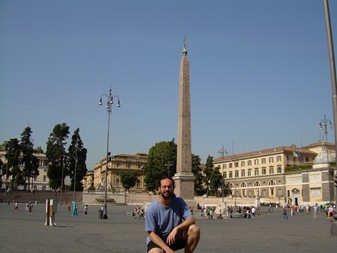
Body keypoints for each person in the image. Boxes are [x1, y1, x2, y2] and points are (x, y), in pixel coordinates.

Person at [145, 176, 200, 253]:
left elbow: (191, 219)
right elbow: (151, 233)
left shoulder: (179, 201)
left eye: (169, 187)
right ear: (159, 189)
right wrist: (167, 249)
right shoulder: (152, 208)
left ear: (173, 189)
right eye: (164, 187)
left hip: (174, 237)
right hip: (158, 240)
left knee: (195, 229)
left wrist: (176, 229)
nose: (167, 189)